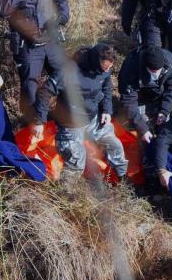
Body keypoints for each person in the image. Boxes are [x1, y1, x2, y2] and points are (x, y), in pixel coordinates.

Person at [32, 43, 128, 180]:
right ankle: (67, 190)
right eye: (104, 68)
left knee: (115, 146)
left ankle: (122, 178)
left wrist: (107, 110)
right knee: (77, 162)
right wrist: (39, 121)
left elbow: (107, 86)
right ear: (96, 61)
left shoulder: (104, 71)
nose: (107, 71)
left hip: (93, 119)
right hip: (70, 125)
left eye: (109, 68)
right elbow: (45, 92)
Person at [0, 0, 70, 116]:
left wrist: (60, 19)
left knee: (67, 77)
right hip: (28, 46)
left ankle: (63, 118)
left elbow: (62, 2)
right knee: (30, 89)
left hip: (50, 41)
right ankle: (33, 123)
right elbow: (2, 10)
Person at [117, 45, 172, 144]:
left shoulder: (170, 62)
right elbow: (129, 100)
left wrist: (164, 111)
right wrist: (143, 129)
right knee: (140, 129)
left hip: (159, 98)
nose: (156, 74)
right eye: (153, 71)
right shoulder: (131, 66)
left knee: (164, 126)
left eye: (159, 70)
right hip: (138, 100)